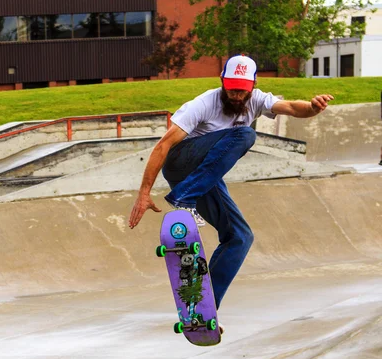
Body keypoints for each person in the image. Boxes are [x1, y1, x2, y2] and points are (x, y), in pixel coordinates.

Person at [129, 54, 334, 314]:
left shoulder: (258, 99)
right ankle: (184, 198)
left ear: (253, 85)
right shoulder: (203, 103)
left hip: (204, 177)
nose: (236, 96)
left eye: (242, 91)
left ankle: (203, 308)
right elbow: (164, 145)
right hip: (181, 164)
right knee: (245, 134)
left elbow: (293, 108)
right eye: (231, 89)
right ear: (222, 82)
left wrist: (313, 108)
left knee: (240, 237)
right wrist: (144, 193)